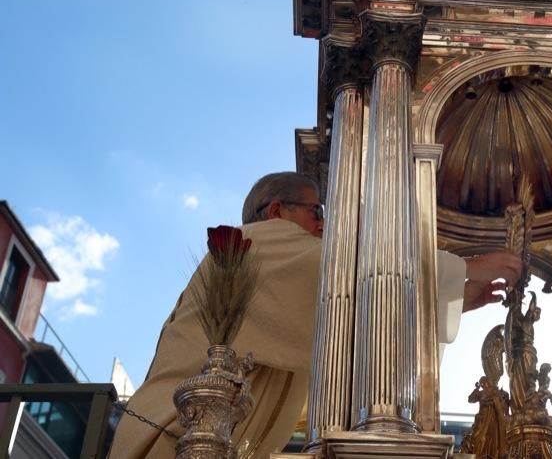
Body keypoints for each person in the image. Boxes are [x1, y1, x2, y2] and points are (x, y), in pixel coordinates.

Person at [109, 172, 523, 458]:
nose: (325, 225)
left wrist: (446, 298)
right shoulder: (253, 244)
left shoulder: (280, 298)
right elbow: (354, 275)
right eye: (317, 212)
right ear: (276, 212)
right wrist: (466, 266)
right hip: (177, 439)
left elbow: (347, 339)